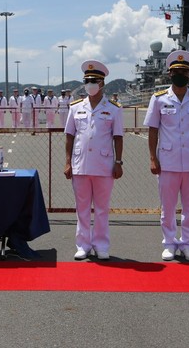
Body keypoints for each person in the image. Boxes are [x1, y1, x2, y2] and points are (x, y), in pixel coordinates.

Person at [143, 50, 189, 262]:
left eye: (184, 71)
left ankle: (188, 243)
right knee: (168, 206)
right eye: (176, 71)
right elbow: (153, 129)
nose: (180, 74)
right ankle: (169, 243)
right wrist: (153, 158)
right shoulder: (159, 99)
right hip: (167, 161)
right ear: (169, 74)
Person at [64, 60, 124, 261]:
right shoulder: (75, 107)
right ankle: (83, 245)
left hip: (103, 165)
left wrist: (119, 162)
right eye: (87, 80)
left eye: (93, 81)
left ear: (102, 83)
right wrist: (67, 162)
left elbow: (118, 137)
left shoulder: (114, 108)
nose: (89, 84)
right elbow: (69, 135)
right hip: (80, 164)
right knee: (81, 208)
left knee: (101, 209)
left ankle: (101, 244)